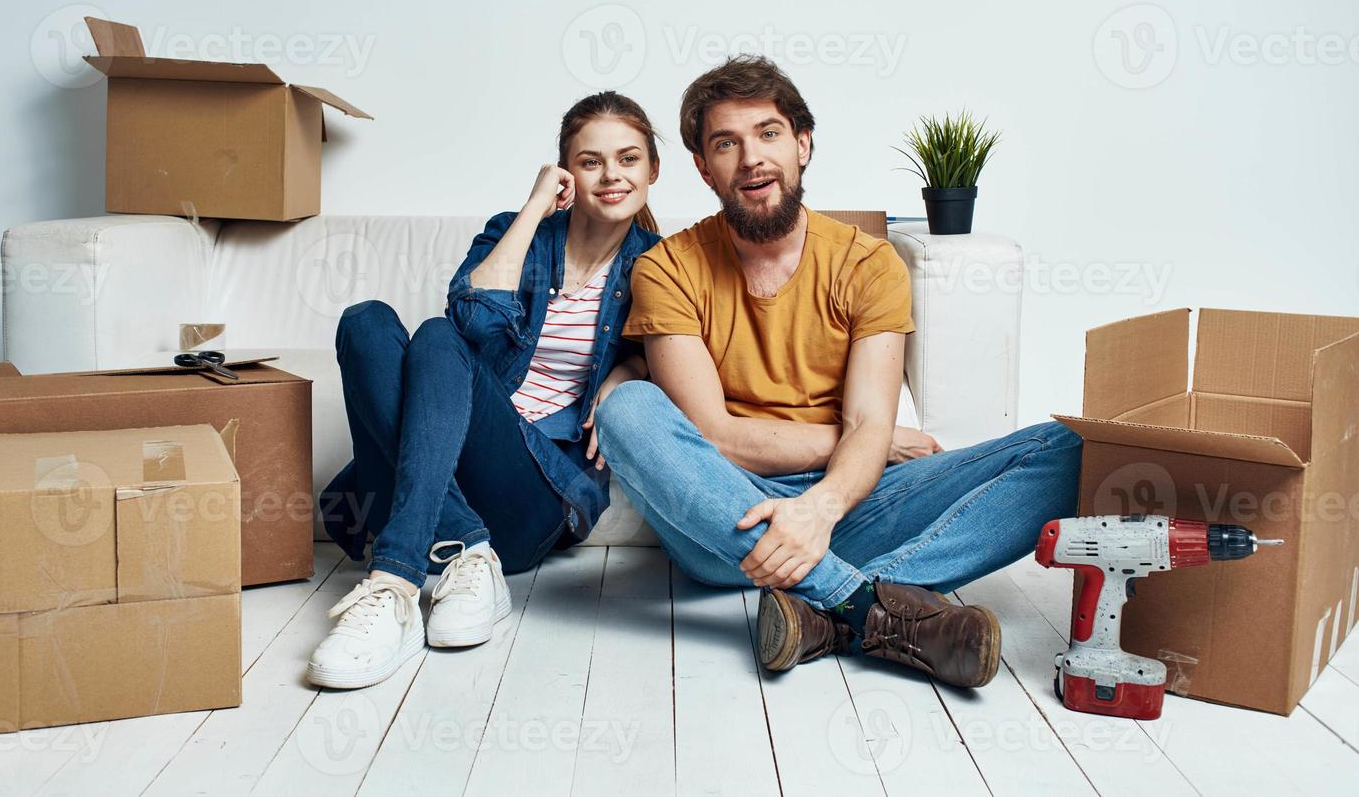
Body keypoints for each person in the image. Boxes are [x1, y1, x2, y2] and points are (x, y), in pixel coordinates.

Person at [592, 57, 1081, 689]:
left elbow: (870, 421)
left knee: (1071, 450)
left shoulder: (869, 264)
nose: (751, 158)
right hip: (724, 515)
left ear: (802, 144)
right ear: (702, 166)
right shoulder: (667, 269)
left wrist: (825, 501)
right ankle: (864, 606)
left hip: (847, 500)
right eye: (725, 143)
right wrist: (869, 445)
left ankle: (824, 611)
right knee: (627, 407)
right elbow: (716, 438)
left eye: (768, 134)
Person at [308, 91, 661, 690]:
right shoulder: (515, 235)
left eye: (628, 159)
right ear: (565, 172)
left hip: (537, 493)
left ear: (653, 170)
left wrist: (630, 371)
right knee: (368, 321)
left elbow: (676, 356)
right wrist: (532, 209)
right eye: (590, 161)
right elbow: (476, 321)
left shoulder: (657, 265)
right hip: (451, 461)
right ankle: (463, 556)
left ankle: (393, 572)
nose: (611, 176)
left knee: (439, 337)